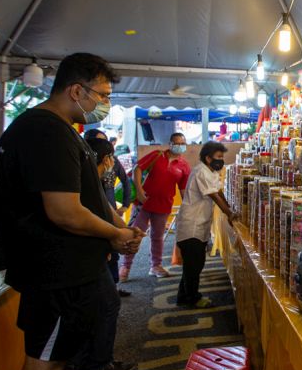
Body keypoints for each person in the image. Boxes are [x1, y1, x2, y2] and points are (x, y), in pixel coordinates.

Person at [0, 52, 142, 370]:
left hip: (64, 270)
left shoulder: (59, 129)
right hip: (56, 273)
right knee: (43, 368)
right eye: (102, 94)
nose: (105, 103)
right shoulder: (46, 132)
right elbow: (63, 210)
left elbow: (87, 195)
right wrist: (115, 234)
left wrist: (116, 224)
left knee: (50, 364)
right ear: (76, 90)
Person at [61, 137, 137, 370]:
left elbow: (106, 211)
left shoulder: (83, 180)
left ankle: (80, 359)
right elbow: (91, 217)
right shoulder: (84, 182)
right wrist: (118, 236)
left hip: (85, 253)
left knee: (87, 308)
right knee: (107, 304)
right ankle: (99, 363)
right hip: (83, 255)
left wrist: (125, 231)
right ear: (106, 159)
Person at [174, 141, 237, 307]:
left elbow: (219, 192)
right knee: (194, 265)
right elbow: (214, 196)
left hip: (199, 225)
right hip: (191, 226)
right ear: (208, 158)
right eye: (218, 157)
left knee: (193, 264)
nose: (221, 161)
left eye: (222, 157)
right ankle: (193, 298)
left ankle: (183, 296)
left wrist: (230, 207)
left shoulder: (212, 171)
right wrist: (229, 213)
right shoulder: (201, 172)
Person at [120, 132, 190, 280]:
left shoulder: (184, 166)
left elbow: (183, 189)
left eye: (183, 143)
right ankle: (125, 267)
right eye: (177, 143)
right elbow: (137, 169)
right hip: (143, 204)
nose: (180, 146)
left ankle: (155, 266)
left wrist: (188, 207)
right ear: (170, 144)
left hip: (163, 205)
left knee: (157, 237)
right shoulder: (157, 155)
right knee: (135, 234)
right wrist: (139, 192)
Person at [84, 129, 132, 297]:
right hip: (96, 223)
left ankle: (112, 286)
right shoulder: (84, 182)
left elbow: (126, 182)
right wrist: (121, 233)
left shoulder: (111, 166)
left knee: (112, 255)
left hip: (109, 211)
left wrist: (125, 206)